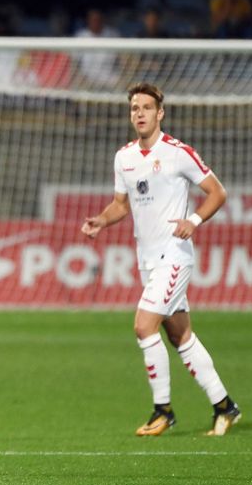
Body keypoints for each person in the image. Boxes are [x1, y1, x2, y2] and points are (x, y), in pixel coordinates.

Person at [80, 84, 241, 438]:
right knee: (180, 335)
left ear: (160, 113)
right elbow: (121, 204)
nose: (139, 113)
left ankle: (162, 410)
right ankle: (225, 406)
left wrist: (194, 222)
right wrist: (101, 221)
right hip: (148, 260)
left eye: (146, 107)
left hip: (175, 257)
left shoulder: (178, 153)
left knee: (143, 326)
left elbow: (218, 192)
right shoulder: (123, 157)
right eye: (134, 107)